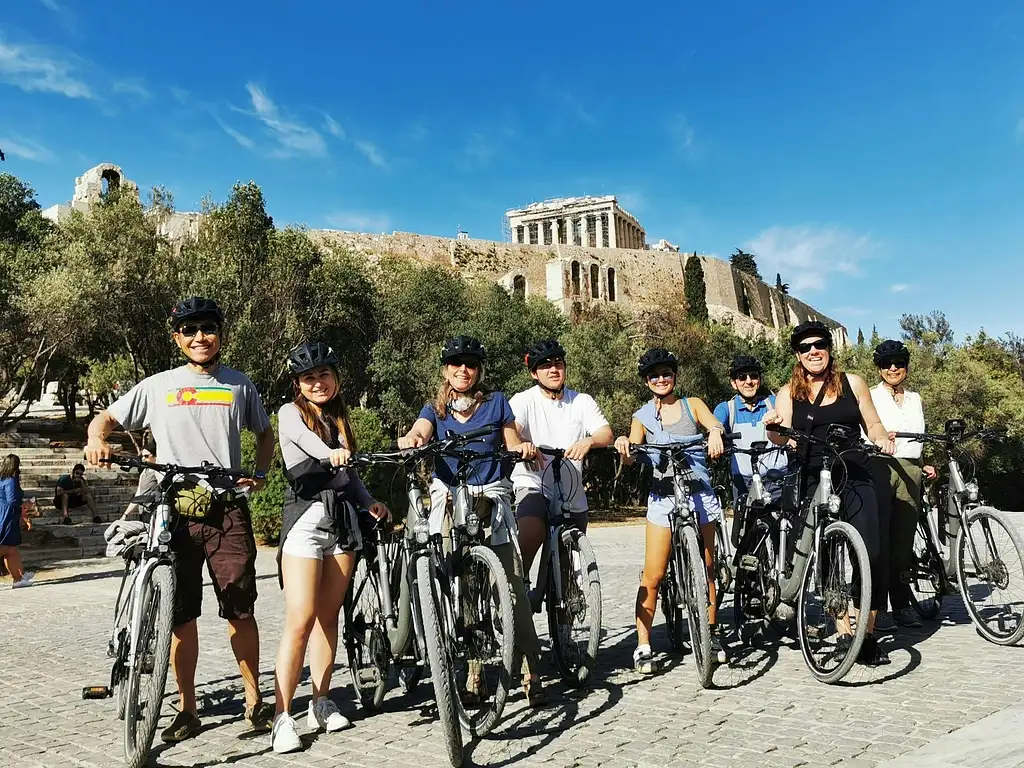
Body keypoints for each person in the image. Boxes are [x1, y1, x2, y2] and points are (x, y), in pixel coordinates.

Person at [84, 296, 277, 743]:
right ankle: (187, 709)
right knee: (180, 615)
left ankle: (255, 702)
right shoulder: (156, 385)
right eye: (189, 330)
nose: (199, 337)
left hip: (226, 507)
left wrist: (261, 472)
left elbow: (264, 432)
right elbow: (107, 419)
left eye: (207, 328)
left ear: (221, 333)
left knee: (239, 609)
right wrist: (96, 438)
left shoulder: (239, 385)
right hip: (173, 509)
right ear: (177, 338)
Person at [398, 336, 547, 706]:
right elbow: (421, 431)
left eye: (470, 364)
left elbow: (512, 440)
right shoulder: (436, 409)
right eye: (455, 364)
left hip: (490, 497)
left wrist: (522, 448)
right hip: (450, 500)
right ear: (446, 370)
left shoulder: (496, 403)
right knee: (462, 585)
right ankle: (474, 671)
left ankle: (531, 667)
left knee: (511, 586)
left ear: (479, 371)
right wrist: (411, 439)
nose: (463, 370)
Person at [271, 341, 390, 753]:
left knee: (329, 616)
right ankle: (282, 715)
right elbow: (309, 446)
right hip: (305, 521)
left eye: (324, 374)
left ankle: (320, 702)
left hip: (342, 524)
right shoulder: (291, 414)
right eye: (309, 377)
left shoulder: (339, 420)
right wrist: (334, 452)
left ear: (336, 378)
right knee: (300, 618)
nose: (317, 383)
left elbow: (348, 475)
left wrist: (368, 500)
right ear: (298, 384)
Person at [765, 321, 896, 666]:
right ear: (797, 354)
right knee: (826, 555)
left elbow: (873, 422)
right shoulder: (787, 392)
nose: (813, 351)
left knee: (873, 551)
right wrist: (774, 429)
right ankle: (843, 633)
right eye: (805, 347)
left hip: (854, 469)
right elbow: (781, 436)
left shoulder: (853, 383)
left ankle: (867, 633)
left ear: (829, 347)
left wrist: (882, 437)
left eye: (819, 344)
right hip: (813, 474)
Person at [614, 348, 729, 672]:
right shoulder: (642, 416)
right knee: (653, 574)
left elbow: (712, 424)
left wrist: (716, 433)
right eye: (654, 375)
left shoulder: (692, 405)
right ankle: (644, 644)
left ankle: (710, 631)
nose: (661, 379)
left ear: (674, 376)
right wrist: (626, 446)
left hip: (697, 492)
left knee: (708, 565)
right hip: (664, 496)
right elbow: (633, 451)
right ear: (647, 381)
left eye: (666, 373)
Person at [509, 339, 614, 579]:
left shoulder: (581, 401)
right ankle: (518, 587)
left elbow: (605, 433)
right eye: (545, 366)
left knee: (568, 568)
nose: (554, 370)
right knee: (532, 531)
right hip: (534, 482)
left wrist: (589, 441)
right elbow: (511, 428)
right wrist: (521, 445)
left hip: (571, 491)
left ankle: (565, 610)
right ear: (534, 373)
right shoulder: (524, 400)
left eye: (558, 363)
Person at [867, 340, 937, 632]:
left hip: (911, 469)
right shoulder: (870, 397)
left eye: (898, 363)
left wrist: (924, 463)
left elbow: (918, 437)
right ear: (880, 368)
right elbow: (865, 433)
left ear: (906, 366)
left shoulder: (915, 398)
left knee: (903, 542)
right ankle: (879, 608)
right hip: (880, 466)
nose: (893, 368)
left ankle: (902, 604)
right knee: (880, 540)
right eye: (887, 364)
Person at [713, 355, 789, 505]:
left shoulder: (773, 402)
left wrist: (778, 417)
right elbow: (716, 424)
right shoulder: (727, 408)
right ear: (734, 383)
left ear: (759, 380)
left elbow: (788, 419)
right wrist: (715, 432)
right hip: (743, 482)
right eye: (742, 377)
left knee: (784, 525)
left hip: (777, 478)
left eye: (753, 376)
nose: (749, 381)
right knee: (744, 527)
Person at [1, 454, 34, 588]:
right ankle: (18, 578)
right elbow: (13, 500)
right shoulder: (10, 480)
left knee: (11, 549)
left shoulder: (3, 478)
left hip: (6, 515)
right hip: (7, 517)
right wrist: (26, 503)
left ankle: (18, 577)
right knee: (6, 547)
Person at [122, 441, 159, 519]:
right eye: (142, 456)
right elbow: (139, 493)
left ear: (156, 456)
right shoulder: (144, 471)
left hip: (155, 512)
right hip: (143, 511)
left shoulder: (158, 473)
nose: (143, 459)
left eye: (146, 456)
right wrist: (125, 514)